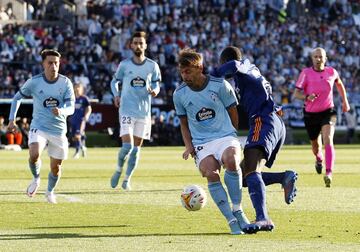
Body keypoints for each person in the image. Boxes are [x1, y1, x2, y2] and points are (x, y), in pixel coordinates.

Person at [173, 48, 257, 235]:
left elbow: (233, 112)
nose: (184, 75)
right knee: (211, 173)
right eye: (182, 71)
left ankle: (238, 209)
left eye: (188, 71)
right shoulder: (179, 94)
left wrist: (230, 134)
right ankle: (231, 220)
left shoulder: (220, 85)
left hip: (225, 136)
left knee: (232, 160)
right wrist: (189, 145)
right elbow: (184, 124)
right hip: (202, 143)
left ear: (199, 67)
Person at [214, 46, 298, 232]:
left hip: (263, 119)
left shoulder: (242, 66)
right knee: (243, 177)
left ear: (224, 62)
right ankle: (284, 177)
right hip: (272, 120)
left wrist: (212, 74)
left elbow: (234, 64)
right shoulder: (252, 71)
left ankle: (263, 218)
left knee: (251, 169)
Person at [7, 49, 75, 203]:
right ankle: (36, 178)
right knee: (34, 154)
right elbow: (17, 98)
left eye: (56, 63)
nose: (53, 66)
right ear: (43, 64)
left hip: (58, 130)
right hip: (39, 127)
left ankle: (49, 192)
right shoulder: (34, 82)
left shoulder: (65, 83)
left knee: (56, 168)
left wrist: (61, 111)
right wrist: (12, 120)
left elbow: (71, 107)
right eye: (50, 63)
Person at [110, 31, 161, 191]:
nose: (138, 45)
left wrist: (155, 91)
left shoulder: (152, 65)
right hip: (126, 109)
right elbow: (114, 81)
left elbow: (157, 84)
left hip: (143, 113)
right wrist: (116, 95)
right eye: (135, 43)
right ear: (131, 45)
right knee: (127, 146)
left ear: (145, 45)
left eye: (141, 43)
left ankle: (127, 179)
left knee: (136, 149)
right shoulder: (125, 65)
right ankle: (118, 169)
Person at [294, 47, 350, 187]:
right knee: (316, 147)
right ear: (312, 59)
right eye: (315, 57)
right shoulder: (305, 73)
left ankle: (329, 173)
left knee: (328, 139)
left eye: (321, 57)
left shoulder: (332, 72)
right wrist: (307, 97)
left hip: (328, 111)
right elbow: (296, 94)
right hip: (310, 114)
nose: (318, 59)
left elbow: (339, 84)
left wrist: (345, 101)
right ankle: (319, 159)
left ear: (325, 59)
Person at [70, 82, 92, 158]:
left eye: (79, 87)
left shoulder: (84, 98)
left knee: (77, 135)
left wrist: (87, 115)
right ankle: (83, 147)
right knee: (74, 137)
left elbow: (89, 108)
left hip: (81, 120)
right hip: (73, 120)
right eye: (76, 87)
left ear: (82, 89)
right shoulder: (72, 98)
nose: (77, 88)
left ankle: (77, 152)